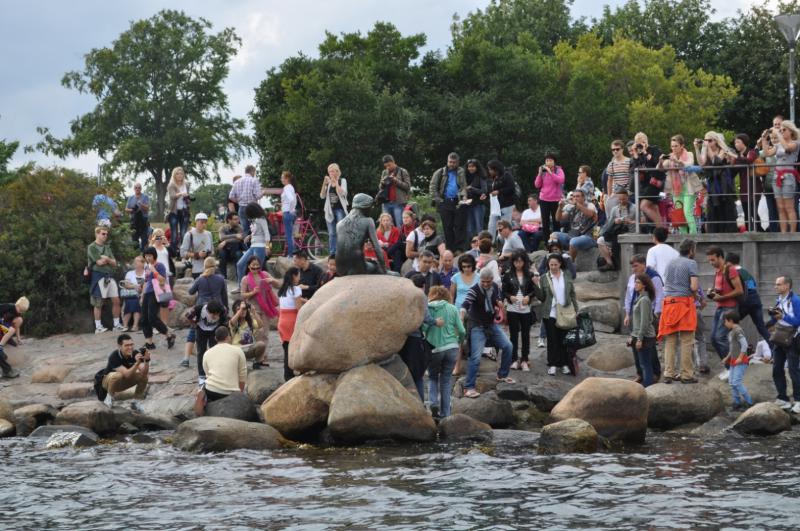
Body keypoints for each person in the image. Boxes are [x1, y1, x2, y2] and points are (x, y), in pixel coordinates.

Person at [460, 268, 515, 398]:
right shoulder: (474, 290)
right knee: (476, 357)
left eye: (488, 282)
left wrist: (499, 302)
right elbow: (465, 304)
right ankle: (468, 387)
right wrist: (461, 317)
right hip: (477, 326)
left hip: (491, 324)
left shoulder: (495, 286)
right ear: (480, 280)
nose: (486, 284)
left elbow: (497, 296)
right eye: (483, 281)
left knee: (508, 346)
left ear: (492, 280)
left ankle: (502, 375)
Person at [658, 238, 699, 384]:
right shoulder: (691, 263)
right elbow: (693, 287)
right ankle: (686, 375)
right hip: (684, 304)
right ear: (691, 250)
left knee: (670, 340)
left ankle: (668, 373)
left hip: (668, 304)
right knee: (687, 340)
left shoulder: (670, 263)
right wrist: (698, 297)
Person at [533, 253, 580, 376]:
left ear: (560, 264)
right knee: (552, 339)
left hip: (565, 312)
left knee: (563, 340)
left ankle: (564, 364)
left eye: (555, 264)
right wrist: (536, 285)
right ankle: (552, 364)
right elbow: (542, 297)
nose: (553, 267)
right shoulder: (544, 277)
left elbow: (572, 294)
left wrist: (576, 309)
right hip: (551, 312)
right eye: (551, 264)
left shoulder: (567, 275)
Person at [423, 286, 465, 418]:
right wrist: (459, 341)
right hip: (452, 347)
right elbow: (462, 330)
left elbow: (423, 328)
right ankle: (446, 413)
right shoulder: (452, 308)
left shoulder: (427, 308)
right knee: (446, 381)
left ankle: (433, 404)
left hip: (434, 348)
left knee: (433, 377)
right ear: (447, 296)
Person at [624, 254, 664, 383]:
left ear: (643, 264)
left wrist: (657, 313)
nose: (633, 269)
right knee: (636, 348)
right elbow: (628, 296)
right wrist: (627, 313)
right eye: (632, 266)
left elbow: (659, 296)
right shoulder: (632, 278)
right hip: (635, 314)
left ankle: (654, 373)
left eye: (636, 266)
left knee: (649, 347)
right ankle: (640, 373)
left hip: (649, 315)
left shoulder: (654, 277)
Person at [706, 246, 744, 380]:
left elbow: (739, 290)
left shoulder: (730, 269)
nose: (711, 263)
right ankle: (729, 367)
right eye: (709, 261)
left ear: (720, 257)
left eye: (713, 260)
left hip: (729, 308)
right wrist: (712, 293)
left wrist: (721, 297)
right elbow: (720, 289)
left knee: (720, 338)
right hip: (720, 308)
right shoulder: (717, 271)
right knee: (713, 339)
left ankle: (733, 367)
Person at [195, 326, 247, 416]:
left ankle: (203, 398)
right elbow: (242, 376)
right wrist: (240, 393)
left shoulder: (207, 353)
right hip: (231, 392)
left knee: (205, 385)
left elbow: (207, 374)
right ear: (228, 337)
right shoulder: (238, 351)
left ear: (215, 338)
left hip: (211, 390)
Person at [767, 276, 800, 411]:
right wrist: (772, 316)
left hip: (792, 338)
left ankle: (798, 400)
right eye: (776, 284)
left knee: (793, 370)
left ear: (787, 285)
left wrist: (783, 316)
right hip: (779, 337)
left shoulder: (795, 300)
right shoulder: (779, 299)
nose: (776, 287)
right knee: (777, 368)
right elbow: (777, 318)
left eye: (778, 284)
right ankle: (783, 398)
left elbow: (798, 321)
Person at [694, 132, 737, 233]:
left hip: (724, 182)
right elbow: (701, 163)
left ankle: (729, 232)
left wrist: (706, 147)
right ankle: (714, 232)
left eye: (710, 140)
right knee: (713, 208)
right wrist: (697, 148)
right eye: (706, 140)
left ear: (716, 141)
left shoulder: (722, 150)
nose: (707, 142)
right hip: (713, 182)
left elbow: (715, 161)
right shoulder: (706, 149)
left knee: (726, 207)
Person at [762, 120, 799, 233]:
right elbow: (767, 153)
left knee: (789, 207)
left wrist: (777, 134)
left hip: (788, 175)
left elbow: (787, 147)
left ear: (791, 132)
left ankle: (792, 233)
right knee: (780, 208)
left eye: (784, 130)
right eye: (781, 130)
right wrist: (764, 139)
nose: (781, 131)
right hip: (777, 175)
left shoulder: (796, 143)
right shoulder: (778, 145)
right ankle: (783, 233)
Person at [725, 252, 770, 344]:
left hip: (745, 299)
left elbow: (737, 289)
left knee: (730, 323)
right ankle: (774, 350)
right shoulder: (746, 272)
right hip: (756, 299)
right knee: (761, 327)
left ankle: (739, 349)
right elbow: (753, 285)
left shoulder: (733, 273)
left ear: (728, 262)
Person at [658, 134, 700, 234]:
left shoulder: (689, 154)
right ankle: (683, 238)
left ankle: (694, 236)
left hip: (689, 187)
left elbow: (689, 164)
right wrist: (660, 161)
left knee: (687, 212)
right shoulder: (670, 157)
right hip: (676, 189)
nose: (673, 148)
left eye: (676, 146)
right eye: (672, 146)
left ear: (682, 146)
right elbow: (660, 169)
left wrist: (678, 161)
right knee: (679, 214)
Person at [502, 250, 536, 372]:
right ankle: (514, 359)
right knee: (514, 335)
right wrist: (510, 297)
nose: (518, 264)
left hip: (526, 309)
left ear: (524, 261)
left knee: (526, 335)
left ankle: (525, 359)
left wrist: (529, 296)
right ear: (513, 262)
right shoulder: (507, 275)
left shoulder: (529, 275)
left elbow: (534, 290)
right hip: (512, 308)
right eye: (516, 261)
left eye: (521, 261)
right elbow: (504, 291)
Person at [87, 226, 124, 334]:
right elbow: (99, 262)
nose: (105, 236)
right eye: (103, 234)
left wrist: (107, 259)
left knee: (116, 300)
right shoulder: (92, 247)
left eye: (106, 234)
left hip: (109, 276)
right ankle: (98, 327)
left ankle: (116, 324)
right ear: (97, 234)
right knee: (99, 302)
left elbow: (114, 263)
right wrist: (108, 260)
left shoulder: (107, 247)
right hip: (99, 276)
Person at [140, 247, 177, 351]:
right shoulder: (147, 267)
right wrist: (142, 295)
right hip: (147, 293)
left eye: (150, 255)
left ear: (154, 255)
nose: (148, 257)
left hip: (156, 293)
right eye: (146, 255)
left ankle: (168, 335)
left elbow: (163, 280)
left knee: (152, 317)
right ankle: (149, 342)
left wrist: (154, 270)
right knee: (144, 319)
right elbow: (146, 281)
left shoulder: (159, 265)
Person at [429, 152, 467, 251]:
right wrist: (439, 200)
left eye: (454, 162)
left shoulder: (461, 171)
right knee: (447, 227)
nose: (452, 164)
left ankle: (459, 248)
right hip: (444, 201)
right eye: (450, 162)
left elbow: (463, 186)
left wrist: (464, 197)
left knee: (459, 226)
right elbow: (432, 187)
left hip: (457, 201)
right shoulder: (440, 172)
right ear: (447, 161)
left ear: (458, 162)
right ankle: (450, 249)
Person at [99, 334, 150, 408]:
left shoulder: (134, 353)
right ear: (120, 346)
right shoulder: (114, 356)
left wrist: (147, 361)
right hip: (107, 383)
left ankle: (135, 402)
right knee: (118, 375)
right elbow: (127, 374)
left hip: (122, 382)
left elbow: (144, 373)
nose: (130, 347)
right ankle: (108, 397)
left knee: (144, 377)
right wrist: (137, 363)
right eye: (127, 345)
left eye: (131, 344)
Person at [239, 255, 279, 345]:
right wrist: (253, 292)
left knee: (265, 333)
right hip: (254, 310)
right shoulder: (245, 279)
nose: (256, 267)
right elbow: (242, 295)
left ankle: (263, 354)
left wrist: (271, 280)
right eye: (253, 265)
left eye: (257, 265)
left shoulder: (265, 274)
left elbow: (278, 284)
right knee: (257, 332)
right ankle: (257, 352)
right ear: (249, 266)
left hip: (266, 309)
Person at [629, 132, 665, 229]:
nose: (641, 145)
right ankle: (661, 228)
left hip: (655, 181)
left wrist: (645, 152)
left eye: (642, 142)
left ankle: (661, 228)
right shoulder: (638, 153)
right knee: (654, 207)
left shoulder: (655, 150)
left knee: (644, 206)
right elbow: (634, 168)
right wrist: (635, 154)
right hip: (644, 184)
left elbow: (656, 164)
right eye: (638, 143)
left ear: (646, 141)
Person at [550, 189, 598, 262]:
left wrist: (577, 205)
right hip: (573, 235)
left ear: (583, 198)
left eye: (578, 196)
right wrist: (560, 207)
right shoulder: (572, 207)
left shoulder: (590, 205)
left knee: (573, 241)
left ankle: (570, 264)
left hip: (588, 237)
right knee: (553, 235)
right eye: (574, 196)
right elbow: (558, 218)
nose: (575, 198)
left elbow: (590, 214)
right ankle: (556, 259)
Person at [597, 187, 637, 271]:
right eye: (619, 199)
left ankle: (618, 264)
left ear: (628, 197)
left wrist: (631, 222)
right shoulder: (614, 209)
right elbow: (608, 224)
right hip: (617, 233)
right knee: (600, 240)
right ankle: (610, 263)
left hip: (631, 232)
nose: (622, 201)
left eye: (624, 199)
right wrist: (615, 221)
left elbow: (642, 221)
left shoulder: (634, 208)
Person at [721, 311, 753, 411]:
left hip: (741, 361)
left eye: (725, 321)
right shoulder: (731, 332)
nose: (724, 323)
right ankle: (737, 402)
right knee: (731, 382)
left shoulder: (738, 330)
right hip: (733, 361)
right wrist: (727, 358)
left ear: (730, 320)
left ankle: (749, 402)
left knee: (737, 382)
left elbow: (744, 345)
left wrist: (740, 357)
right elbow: (732, 348)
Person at [278, 267, 306, 381]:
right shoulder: (296, 290)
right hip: (292, 320)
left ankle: (287, 375)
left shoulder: (283, 289)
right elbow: (299, 308)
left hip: (282, 320)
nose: (300, 277)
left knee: (286, 349)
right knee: (297, 347)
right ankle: (299, 370)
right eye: (298, 275)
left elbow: (291, 301)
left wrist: (305, 301)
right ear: (294, 276)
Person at [629, 274, 657, 387]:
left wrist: (639, 339)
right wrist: (632, 336)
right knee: (641, 363)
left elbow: (644, 322)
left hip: (645, 336)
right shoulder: (639, 298)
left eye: (638, 282)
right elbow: (636, 320)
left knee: (645, 364)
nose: (635, 284)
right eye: (635, 282)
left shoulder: (644, 300)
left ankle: (648, 389)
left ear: (644, 285)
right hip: (637, 335)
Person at [236, 202, 271, 285]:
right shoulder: (254, 220)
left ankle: (259, 288)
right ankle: (241, 286)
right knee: (240, 264)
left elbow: (266, 233)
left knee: (257, 269)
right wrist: (249, 236)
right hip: (252, 246)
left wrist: (267, 247)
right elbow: (257, 232)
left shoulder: (262, 219)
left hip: (260, 247)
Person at [535, 152, 565, 243]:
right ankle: (547, 244)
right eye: (547, 160)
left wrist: (550, 172)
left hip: (555, 200)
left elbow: (561, 180)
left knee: (556, 222)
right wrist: (540, 174)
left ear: (554, 162)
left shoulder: (558, 170)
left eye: (550, 160)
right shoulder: (543, 171)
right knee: (545, 223)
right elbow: (537, 185)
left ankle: (557, 242)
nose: (548, 162)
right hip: (544, 199)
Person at [229, 299, 268, 370]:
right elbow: (231, 322)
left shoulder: (250, 321)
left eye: (245, 309)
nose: (243, 311)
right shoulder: (234, 322)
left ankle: (257, 362)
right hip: (238, 350)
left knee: (261, 344)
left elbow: (260, 325)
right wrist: (240, 309)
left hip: (249, 349)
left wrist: (254, 312)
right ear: (235, 311)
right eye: (240, 309)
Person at [730, 134, 759, 227]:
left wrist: (734, 156)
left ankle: (759, 231)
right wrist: (730, 162)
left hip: (754, 187)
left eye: (738, 142)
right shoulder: (737, 156)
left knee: (754, 212)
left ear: (744, 142)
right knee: (746, 213)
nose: (736, 144)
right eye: (735, 143)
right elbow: (733, 173)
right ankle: (748, 232)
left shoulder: (752, 152)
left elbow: (749, 160)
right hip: (743, 188)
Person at [320, 162, 349, 255]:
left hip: (340, 209)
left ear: (338, 172)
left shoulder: (342, 180)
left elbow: (342, 193)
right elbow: (322, 196)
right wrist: (324, 183)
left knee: (341, 231)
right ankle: (332, 253)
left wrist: (336, 183)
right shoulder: (327, 183)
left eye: (334, 171)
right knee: (332, 233)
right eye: (330, 171)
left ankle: (342, 252)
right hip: (330, 210)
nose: (332, 173)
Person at [228, 164, 264, 238]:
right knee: (255, 229)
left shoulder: (237, 182)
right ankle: (255, 246)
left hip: (241, 208)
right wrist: (263, 193)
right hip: (252, 208)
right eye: (254, 172)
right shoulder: (254, 180)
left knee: (245, 229)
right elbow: (257, 196)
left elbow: (231, 196)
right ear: (252, 171)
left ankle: (247, 248)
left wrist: (238, 201)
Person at [378, 155, 412, 229]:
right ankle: (388, 240)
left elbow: (407, 186)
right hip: (386, 203)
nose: (388, 167)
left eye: (389, 165)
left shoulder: (402, 171)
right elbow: (380, 187)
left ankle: (400, 240)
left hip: (398, 203)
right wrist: (383, 183)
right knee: (385, 225)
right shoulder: (384, 172)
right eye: (386, 166)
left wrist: (396, 181)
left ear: (393, 162)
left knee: (399, 224)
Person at [487, 159, 517, 241]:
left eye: (490, 169)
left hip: (506, 205)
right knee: (491, 225)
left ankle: (506, 244)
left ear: (495, 169)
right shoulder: (494, 178)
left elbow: (511, 188)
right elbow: (491, 190)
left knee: (504, 226)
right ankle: (490, 244)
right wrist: (485, 195)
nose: (489, 171)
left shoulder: (507, 175)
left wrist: (499, 191)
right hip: (495, 206)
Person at [0, 297, 28, 378]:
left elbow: (17, 326)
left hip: (2, 328)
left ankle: (6, 340)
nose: (20, 312)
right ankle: (7, 371)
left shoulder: (18, 313)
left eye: (23, 311)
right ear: (17, 304)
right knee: (11, 329)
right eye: (20, 310)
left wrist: (18, 339)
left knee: (19, 320)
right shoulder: (8, 306)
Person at [180, 213, 213, 279]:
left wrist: (208, 254)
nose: (204, 224)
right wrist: (197, 255)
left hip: (209, 267)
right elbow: (182, 253)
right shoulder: (189, 235)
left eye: (205, 222)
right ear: (196, 222)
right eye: (202, 222)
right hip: (195, 268)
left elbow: (212, 250)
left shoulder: (209, 234)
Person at [167, 166, 191, 253]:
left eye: (181, 173)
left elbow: (187, 196)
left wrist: (188, 198)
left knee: (184, 232)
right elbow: (172, 196)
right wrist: (181, 193)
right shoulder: (171, 185)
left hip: (184, 211)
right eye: (177, 173)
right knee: (174, 233)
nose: (179, 175)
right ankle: (173, 252)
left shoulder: (187, 184)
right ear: (174, 175)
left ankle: (183, 252)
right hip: (174, 211)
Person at [605, 140, 632, 217]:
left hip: (628, 192)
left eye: (617, 149)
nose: (615, 151)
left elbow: (631, 178)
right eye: (613, 149)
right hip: (616, 193)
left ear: (622, 149)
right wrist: (609, 195)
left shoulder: (629, 161)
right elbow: (609, 181)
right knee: (609, 209)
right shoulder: (611, 164)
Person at [464, 158, 489, 240]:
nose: (470, 168)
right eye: (469, 166)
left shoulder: (481, 176)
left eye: (473, 166)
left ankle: (482, 246)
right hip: (468, 204)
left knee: (479, 227)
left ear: (477, 167)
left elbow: (484, 190)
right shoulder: (465, 177)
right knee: (469, 229)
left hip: (478, 204)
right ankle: (472, 246)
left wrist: (472, 188)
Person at [120, 256, 146, 332]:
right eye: (134, 261)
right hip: (132, 294)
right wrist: (135, 286)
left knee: (134, 301)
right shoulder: (130, 273)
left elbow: (148, 284)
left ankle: (132, 325)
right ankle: (129, 325)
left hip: (143, 294)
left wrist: (142, 291)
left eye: (137, 261)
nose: (135, 263)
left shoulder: (146, 273)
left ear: (142, 263)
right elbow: (126, 285)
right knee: (132, 301)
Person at [217, 212, 244, 280]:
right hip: (226, 250)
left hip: (236, 250)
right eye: (235, 219)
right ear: (229, 220)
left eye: (238, 219)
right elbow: (221, 237)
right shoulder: (223, 228)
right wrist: (235, 235)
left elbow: (239, 239)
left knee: (239, 254)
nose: (238, 220)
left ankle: (239, 277)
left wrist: (226, 241)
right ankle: (223, 278)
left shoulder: (240, 227)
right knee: (222, 253)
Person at [125, 183, 150, 250]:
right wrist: (133, 210)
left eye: (139, 187)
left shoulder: (145, 197)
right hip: (134, 221)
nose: (137, 189)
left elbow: (148, 208)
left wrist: (141, 205)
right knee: (134, 239)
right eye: (136, 187)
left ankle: (144, 254)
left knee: (144, 239)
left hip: (143, 221)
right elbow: (126, 209)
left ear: (141, 188)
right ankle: (136, 255)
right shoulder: (130, 198)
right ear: (134, 189)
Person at [280, 170, 299, 256]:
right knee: (290, 234)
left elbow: (291, 199)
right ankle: (293, 252)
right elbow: (293, 200)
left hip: (287, 213)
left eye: (282, 177)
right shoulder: (291, 187)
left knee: (288, 235)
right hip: (291, 212)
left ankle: (290, 255)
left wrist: (289, 210)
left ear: (287, 178)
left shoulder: (287, 187)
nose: (281, 179)